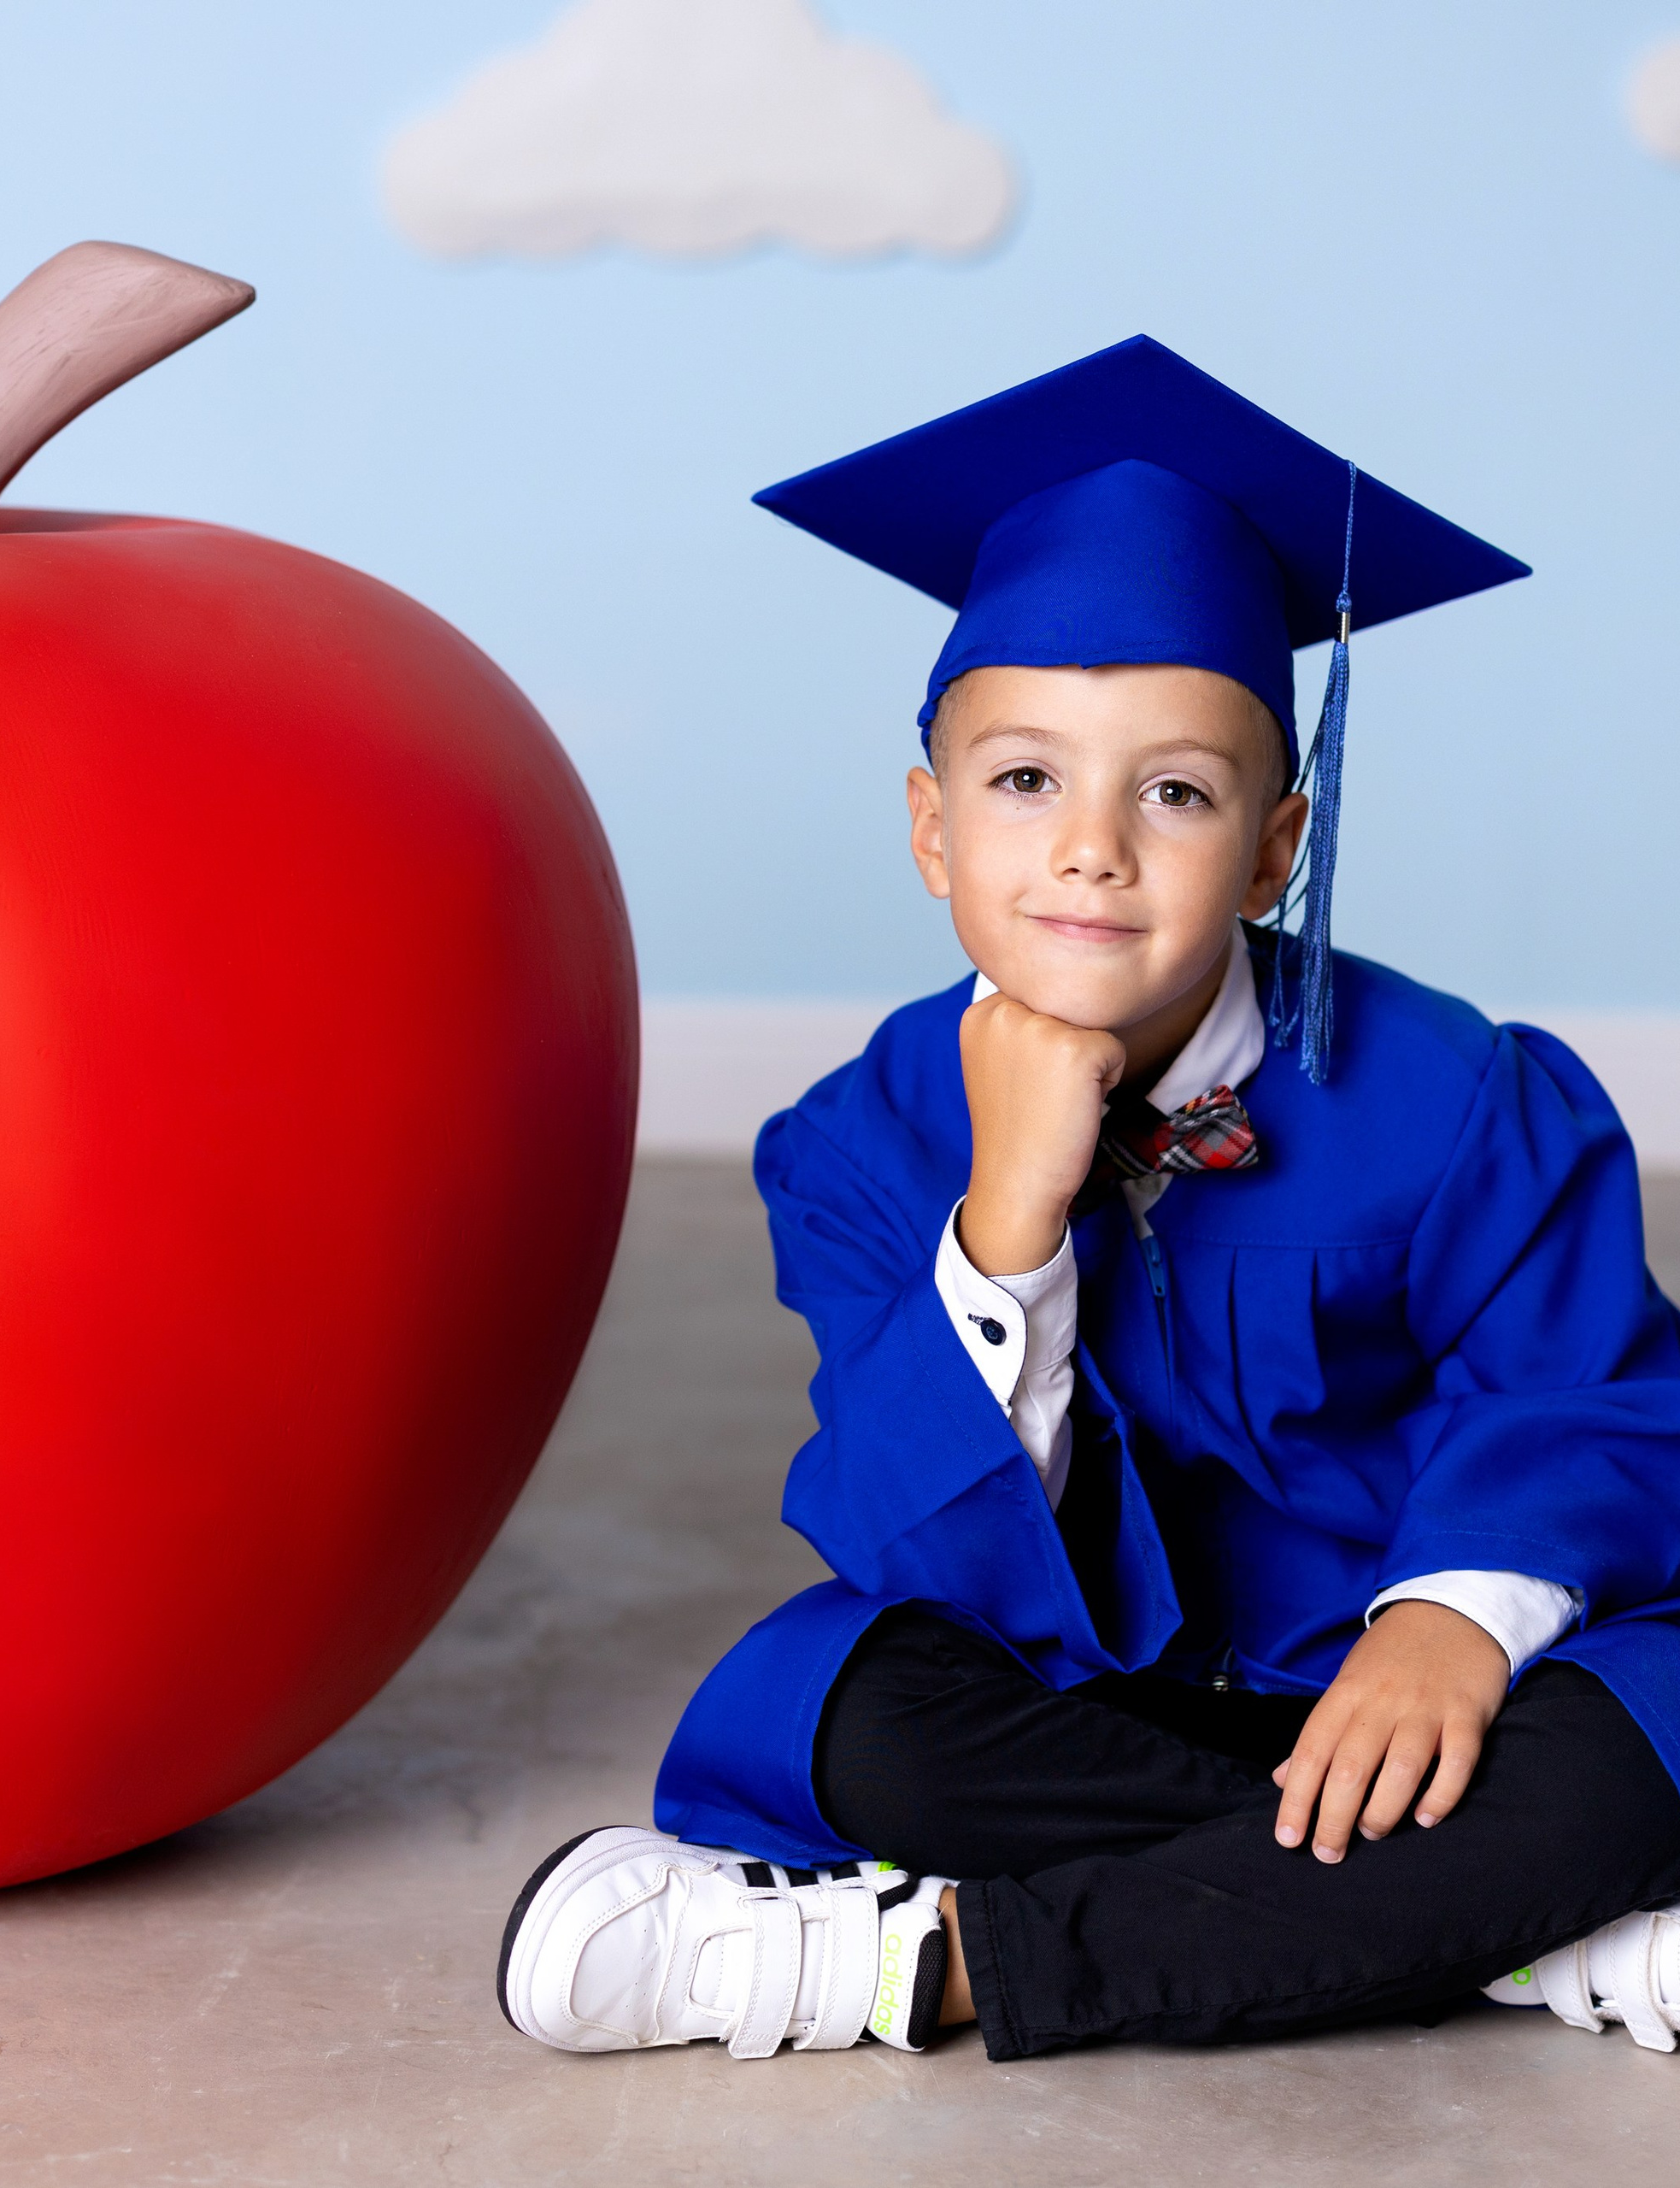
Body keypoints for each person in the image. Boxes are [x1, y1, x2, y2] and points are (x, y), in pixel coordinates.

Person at [496, 337, 1680, 2063]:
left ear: (1273, 848)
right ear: (928, 824)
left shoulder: (1460, 1096)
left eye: (1175, 792)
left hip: (1426, 1676)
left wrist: (1442, 1620)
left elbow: (1594, 1402)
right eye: (1023, 778)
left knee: (1630, 1734)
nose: (1089, 847)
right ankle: (1506, 1926)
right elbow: (918, 1542)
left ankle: (918, 1964)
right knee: (853, 1707)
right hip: (1092, 1689)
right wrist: (1008, 1216)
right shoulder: (852, 1143)